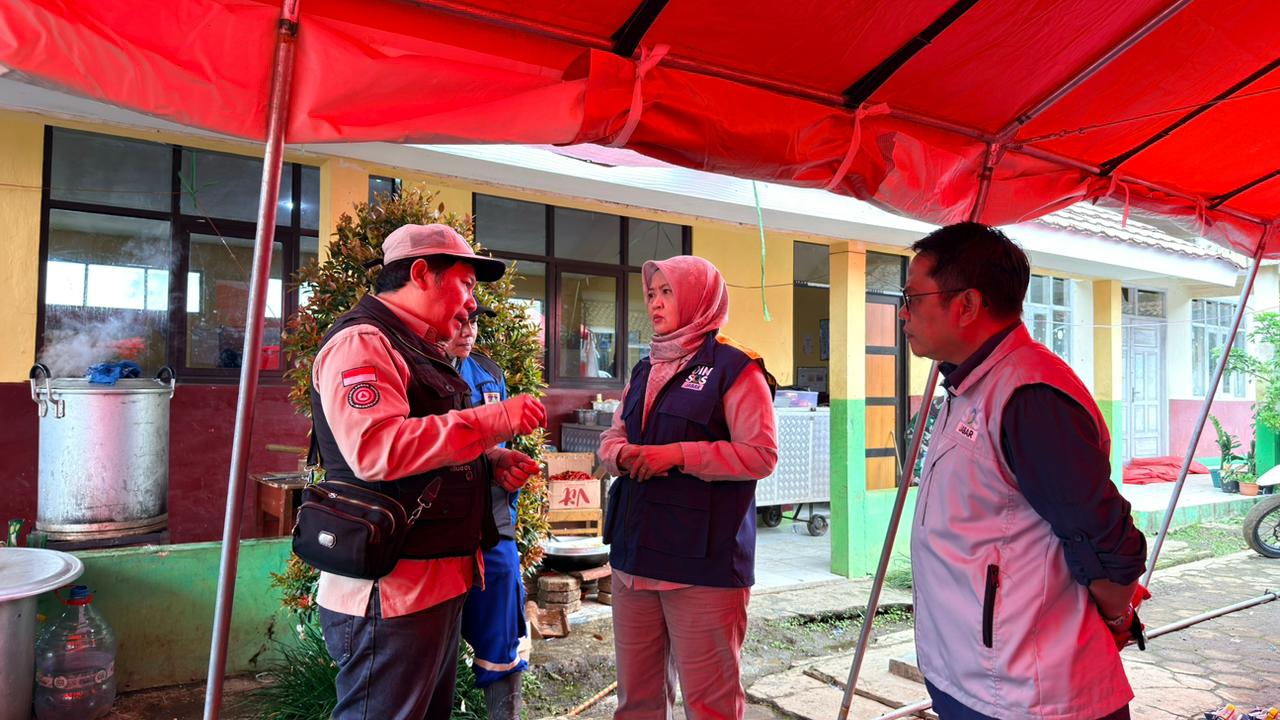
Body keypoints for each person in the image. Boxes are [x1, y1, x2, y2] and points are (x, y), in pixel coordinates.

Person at [901, 222, 1148, 720]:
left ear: (966, 305)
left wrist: (1118, 614)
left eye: (911, 298)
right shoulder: (972, 383)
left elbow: (1108, 545)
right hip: (969, 672)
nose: (903, 314)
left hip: (1027, 691)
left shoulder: (1029, 396)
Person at [310, 223, 547, 720]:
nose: (470, 304)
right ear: (421, 274)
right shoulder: (363, 344)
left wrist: (489, 460)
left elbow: (422, 445)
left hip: (431, 588)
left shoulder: (417, 347)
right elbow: (376, 449)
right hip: (389, 597)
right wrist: (495, 420)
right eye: (463, 285)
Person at [598, 255, 779, 720]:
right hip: (633, 557)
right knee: (636, 702)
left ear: (700, 297)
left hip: (702, 564)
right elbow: (614, 435)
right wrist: (617, 454)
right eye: (652, 293)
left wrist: (678, 455)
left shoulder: (736, 368)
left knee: (709, 705)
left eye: (668, 293)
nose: (655, 304)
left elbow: (761, 455)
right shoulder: (644, 369)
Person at [445, 303, 529, 720]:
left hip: (492, 527)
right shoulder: (410, 369)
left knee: (502, 639)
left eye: (473, 321)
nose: (467, 330)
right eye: (458, 320)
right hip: (434, 534)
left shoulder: (490, 374)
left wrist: (508, 469)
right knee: (430, 647)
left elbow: (504, 445)